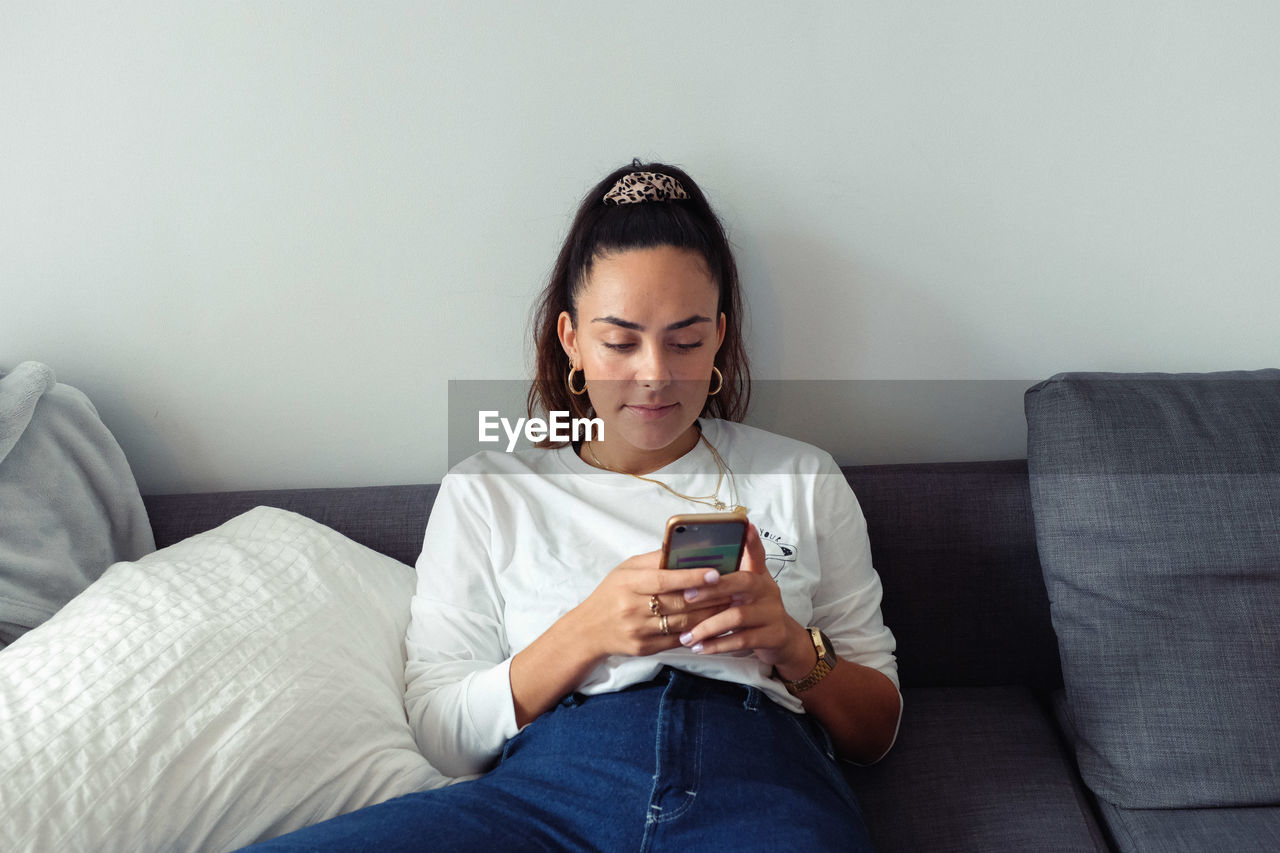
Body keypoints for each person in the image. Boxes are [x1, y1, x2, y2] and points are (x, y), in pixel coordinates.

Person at [244, 161, 901, 851]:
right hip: (550, 796)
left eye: (685, 339)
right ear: (572, 342)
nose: (654, 373)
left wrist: (792, 647)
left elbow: (876, 732)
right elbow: (441, 733)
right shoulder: (488, 489)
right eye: (620, 341)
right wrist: (587, 631)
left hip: (758, 785)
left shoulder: (803, 475)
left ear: (719, 339)